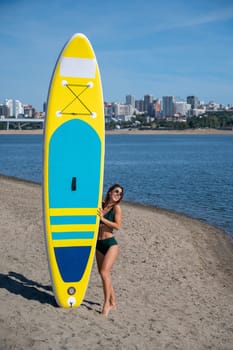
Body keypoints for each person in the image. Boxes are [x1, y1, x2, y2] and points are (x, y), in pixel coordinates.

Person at [96, 184, 124, 316]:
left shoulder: (116, 208)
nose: (118, 195)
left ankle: (106, 304)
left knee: (103, 272)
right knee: (105, 275)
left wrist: (102, 219)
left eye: (120, 194)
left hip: (110, 244)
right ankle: (113, 302)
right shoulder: (100, 205)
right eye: (116, 192)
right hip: (98, 243)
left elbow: (117, 226)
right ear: (110, 192)